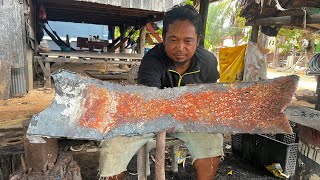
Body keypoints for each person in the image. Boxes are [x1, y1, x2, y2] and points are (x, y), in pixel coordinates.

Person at [99, 5, 223, 180]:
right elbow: (151, 101)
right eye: (173, 39)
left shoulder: (208, 62)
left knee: (213, 140)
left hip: (189, 119)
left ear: (198, 39)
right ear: (163, 39)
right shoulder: (152, 61)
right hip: (148, 117)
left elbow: (210, 96)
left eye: (188, 41)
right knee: (112, 145)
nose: (180, 47)